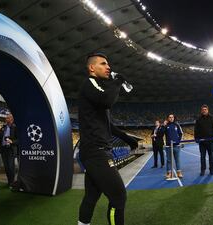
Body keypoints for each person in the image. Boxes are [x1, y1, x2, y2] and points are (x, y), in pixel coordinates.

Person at [77, 53, 138, 225]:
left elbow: (108, 126)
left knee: (91, 196)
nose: (108, 67)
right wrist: (118, 80)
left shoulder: (99, 90)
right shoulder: (90, 83)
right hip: (96, 152)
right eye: (103, 64)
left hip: (96, 151)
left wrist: (127, 138)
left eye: (108, 64)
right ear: (92, 68)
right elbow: (107, 100)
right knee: (118, 196)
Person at [194, 104, 213, 176]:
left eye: (205, 109)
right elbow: (196, 130)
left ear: (207, 110)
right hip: (202, 143)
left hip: (210, 142)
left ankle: (211, 169)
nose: (204, 111)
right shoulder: (198, 119)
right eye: (203, 110)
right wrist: (197, 139)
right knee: (202, 157)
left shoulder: (212, 118)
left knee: (211, 156)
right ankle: (203, 170)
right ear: (201, 111)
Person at [0, 113, 18, 187]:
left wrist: (12, 141)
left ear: (11, 119)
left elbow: (19, 139)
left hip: (10, 149)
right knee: (6, 166)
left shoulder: (15, 127)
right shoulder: (3, 127)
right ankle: (9, 181)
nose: (6, 119)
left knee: (10, 166)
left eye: (7, 118)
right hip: (3, 149)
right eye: (6, 118)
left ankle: (12, 182)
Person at [164, 114, 183, 178]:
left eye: (172, 117)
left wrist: (178, 141)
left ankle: (179, 172)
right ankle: (169, 173)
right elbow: (161, 133)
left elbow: (180, 133)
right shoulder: (166, 126)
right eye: (170, 117)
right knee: (169, 160)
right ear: (168, 118)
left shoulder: (177, 125)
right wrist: (163, 125)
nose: (171, 118)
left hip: (176, 146)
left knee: (177, 159)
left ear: (174, 118)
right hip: (168, 146)